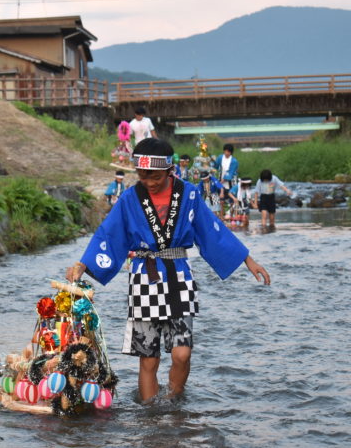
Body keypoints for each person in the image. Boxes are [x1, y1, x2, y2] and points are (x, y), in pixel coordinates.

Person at [66, 138, 270, 403]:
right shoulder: (130, 198)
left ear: (169, 170)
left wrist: (247, 259)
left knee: (182, 353)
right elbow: (109, 234)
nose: (149, 180)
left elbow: (211, 230)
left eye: (155, 175)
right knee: (149, 359)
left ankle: (174, 404)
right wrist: (84, 264)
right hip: (144, 279)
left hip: (179, 277)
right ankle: (151, 414)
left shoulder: (189, 194)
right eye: (142, 174)